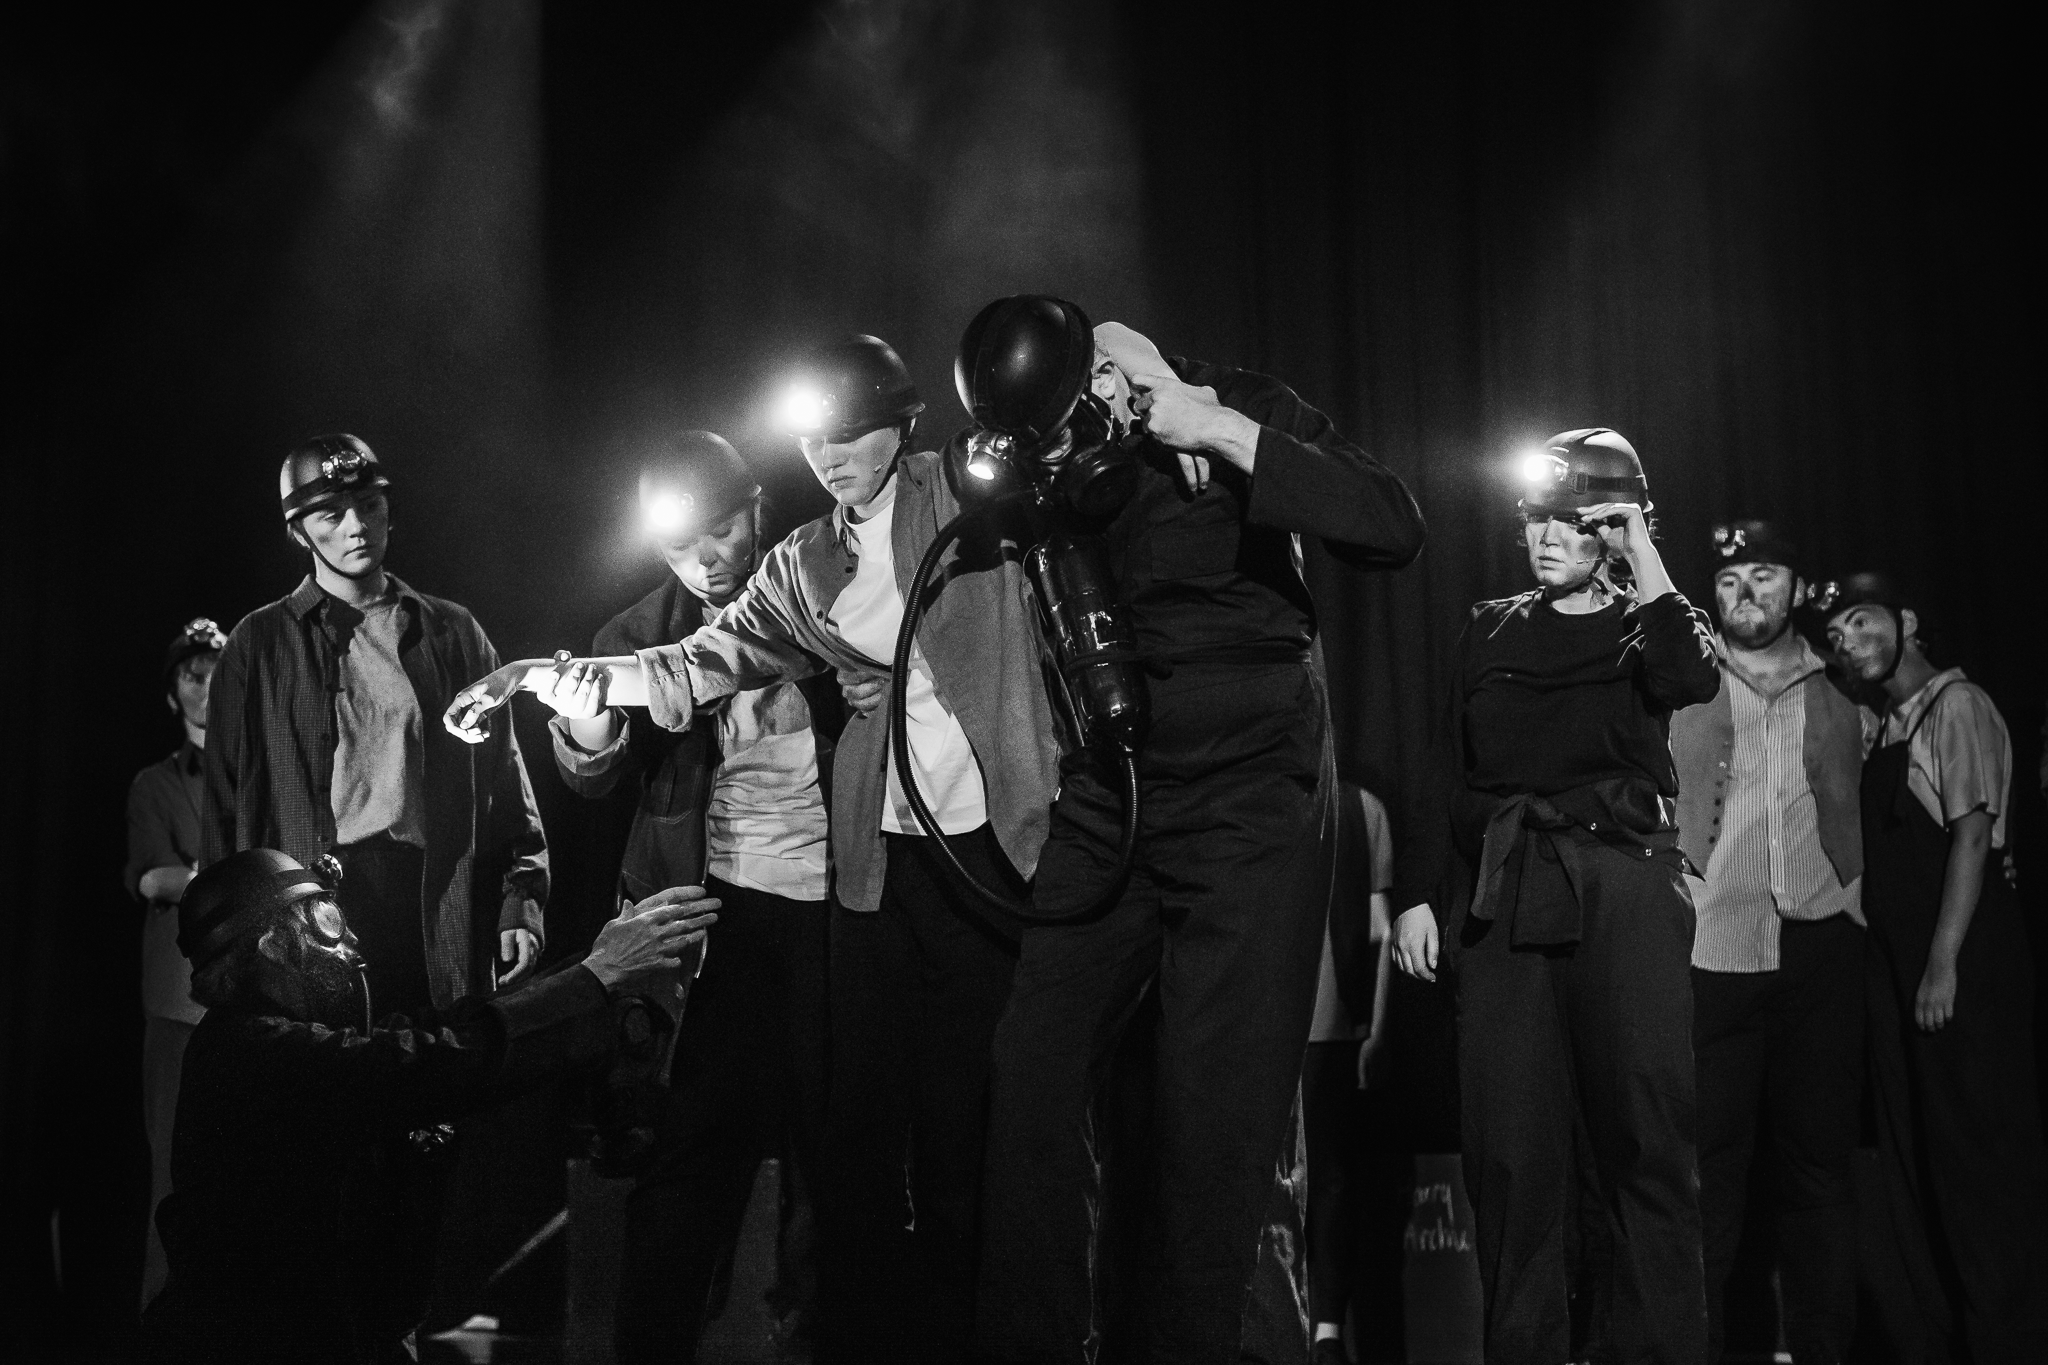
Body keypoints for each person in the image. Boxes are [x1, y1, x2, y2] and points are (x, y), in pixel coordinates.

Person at [444, 336, 1063, 1363]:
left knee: (909, 1150)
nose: (709, 556)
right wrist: (547, 683)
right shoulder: (766, 581)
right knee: (742, 1155)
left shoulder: (915, 510)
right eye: (814, 436)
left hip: (900, 882)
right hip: (772, 903)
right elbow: (674, 680)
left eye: (850, 432)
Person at [960, 300, 1428, 1365]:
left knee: (1215, 1125)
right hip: (1112, 783)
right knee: (1030, 1067)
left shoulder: (1241, 403)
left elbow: (1394, 524)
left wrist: (1215, 429)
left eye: (1083, 407)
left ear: (1109, 366)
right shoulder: (1049, 462)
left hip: (1250, 791)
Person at [1392, 429, 1719, 1365]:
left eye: (1572, 521)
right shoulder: (1488, 624)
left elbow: (1688, 678)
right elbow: (1438, 760)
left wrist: (1641, 549)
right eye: (1535, 518)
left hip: (1624, 883)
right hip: (1509, 882)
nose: (1544, 536)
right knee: (1509, 1147)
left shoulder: (1648, 620)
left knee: (1644, 1133)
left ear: (1613, 530)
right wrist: (1418, 894)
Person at [139, 848, 715, 1365]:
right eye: (327, 921)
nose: (351, 944)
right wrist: (598, 976)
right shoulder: (247, 1051)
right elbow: (437, 1061)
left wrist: (598, 964)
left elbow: (451, 1033)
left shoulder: (292, 1044)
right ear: (272, 944)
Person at [543, 430, 840, 1362]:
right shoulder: (638, 633)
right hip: (715, 923)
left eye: (720, 532)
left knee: (832, 1175)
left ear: (756, 509)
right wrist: (584, 726)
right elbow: (595, 775)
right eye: (681, 545)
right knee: (685, 1171)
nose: (707, 560)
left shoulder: (820, 583)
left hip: (837, 914)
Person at [202, 433, 548, 1017]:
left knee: (437, 1078)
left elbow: (504, 783)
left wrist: (521, 906)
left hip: (431, 895)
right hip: (309, 905)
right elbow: (223, 809)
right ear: (300, 530)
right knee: (334, 1089)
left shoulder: (451, 632)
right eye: (331, 514)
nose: (355, 526)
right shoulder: (258, 645)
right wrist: (227, 954)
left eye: (369, 505)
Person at [1820, 572, 2048, 1362]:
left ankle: (2008, 1337)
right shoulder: (1882, 726)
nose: (1849, 639)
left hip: (1961, 963)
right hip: (1900, 969)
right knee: (1923, 1153)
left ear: (1908, 619)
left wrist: (1944, 961)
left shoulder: (1958, 705)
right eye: (1837, 631)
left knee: (1981, 1152)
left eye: (1862, 618)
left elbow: (1974, 836)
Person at [1669, 520, 1865, 1365]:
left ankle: (1822, 1348)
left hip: (1819, 938)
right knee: (1710, 1170)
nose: (1747, 591)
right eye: (1731, 577)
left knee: (1818, 1169)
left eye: (1765, 574)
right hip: (1716, 939)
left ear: (1794, 586)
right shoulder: (1685, 677)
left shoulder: (1839, 689)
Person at [125, 616, 225, 1308]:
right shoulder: (153, 783)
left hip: (246, 998)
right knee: (170, 1170)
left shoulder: (255, 767)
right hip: (177, 1003)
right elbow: (150, 879)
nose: (207, 685)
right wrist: (224, 876)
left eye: (217, 672)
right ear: (172, 693)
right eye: (193, 674)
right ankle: (162, 1322)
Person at [1306, 781, 1397, 1364]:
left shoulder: (1359, 809)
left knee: (1331, 1177)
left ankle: (1326, 1331)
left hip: (1332, 1024)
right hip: (1261, 1020)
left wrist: (1378, 1031)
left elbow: (1380, 929)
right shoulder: (1249, 792)